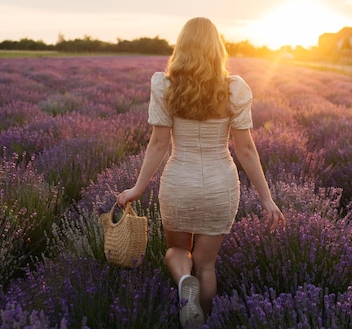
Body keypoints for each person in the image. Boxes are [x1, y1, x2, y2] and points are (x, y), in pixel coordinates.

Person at [116, 17, 285, 328]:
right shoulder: (234, 88)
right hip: (220, 185)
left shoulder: (165, 86)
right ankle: (201, 321)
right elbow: (246, 149)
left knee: (177, 250)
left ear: (181, 48)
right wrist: (267, 198)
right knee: (206, 265)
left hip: (179, 183)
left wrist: (136, 188)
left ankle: (183, 282)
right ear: (217, 49)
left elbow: (158, 143)